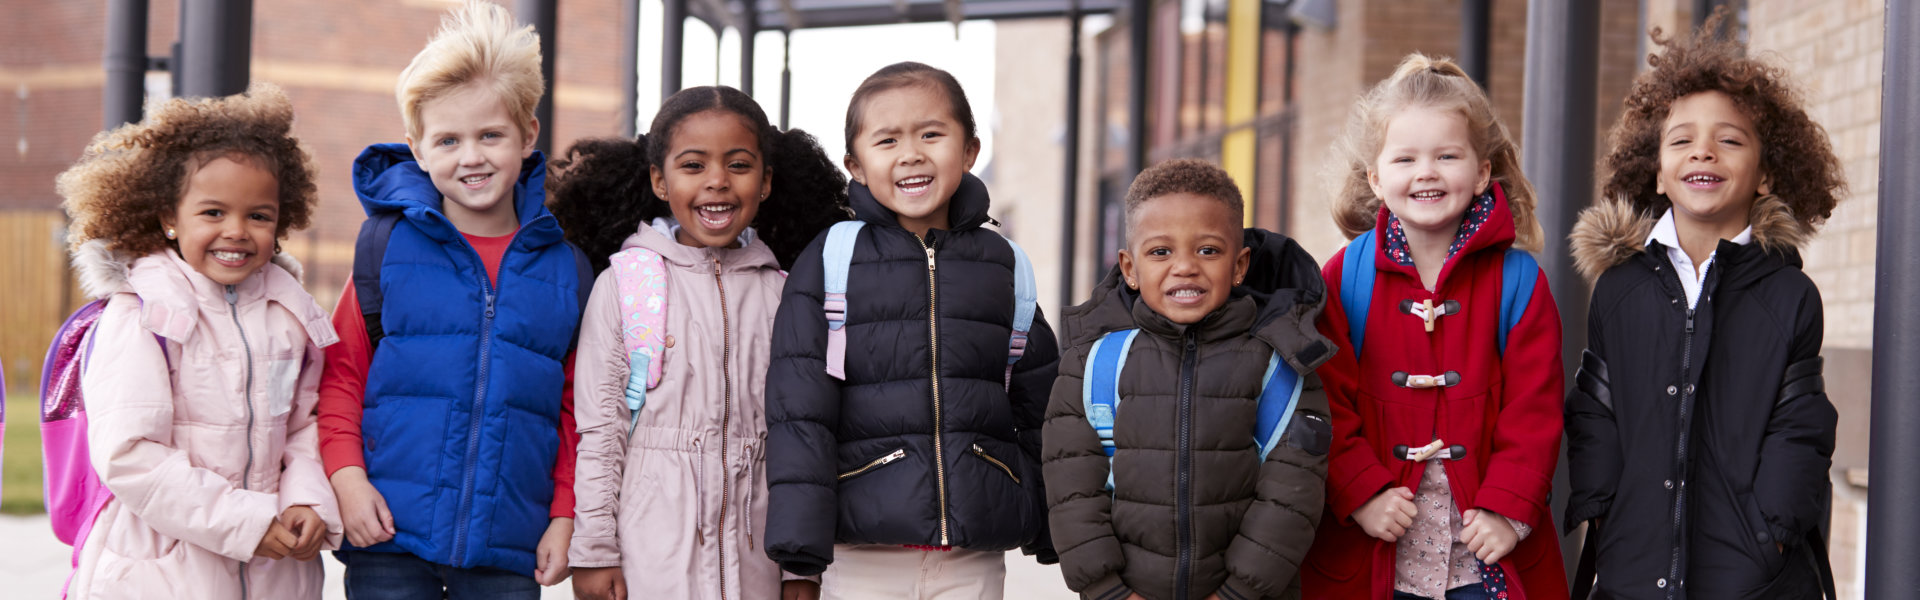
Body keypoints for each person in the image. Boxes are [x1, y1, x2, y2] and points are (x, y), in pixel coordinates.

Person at [1564, 11, 1845, 598]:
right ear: (1658, 173)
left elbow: (1802, 429)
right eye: (1682, 139)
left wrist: (1774, 535)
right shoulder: (1620, 290)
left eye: (1730, 140)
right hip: (1631, 565)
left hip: (1750, 573)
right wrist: (1604, 513)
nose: (1704, 152)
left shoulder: (1789, 296)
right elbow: (1594, 412)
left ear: (1766, 174)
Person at [762, 61, 1060, 600]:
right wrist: (800, 555)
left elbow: (1041, 406)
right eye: (887, 140)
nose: (911, 154)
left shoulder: (1006, 265)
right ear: (856, 164)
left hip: (973, 551)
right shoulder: (832, 259)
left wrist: (1053, 527)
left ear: (969, 150)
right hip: (861, 552)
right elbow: (799, 410)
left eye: (931, 134)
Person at [315, 2, 585, 596]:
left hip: (508, 550)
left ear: (528, 134)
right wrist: (347, 479)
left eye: (491, 135)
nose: (471, 157)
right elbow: (341, 377)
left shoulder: (567, 269)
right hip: (387, 537)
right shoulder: (384, 246)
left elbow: (575, 410)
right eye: (448, 140)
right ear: (417, 148)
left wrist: (566, 515)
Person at [548, 84, 848, 600]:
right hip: (650, 562)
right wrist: (594, 550)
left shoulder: (787, 293)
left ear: (766, 181)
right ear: (660, 182)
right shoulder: (625, 284)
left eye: (738, 165)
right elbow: (600, 430)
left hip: (759, 563)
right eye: (693, 166)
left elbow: (803, 440)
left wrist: (801, 565)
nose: (716, 182)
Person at [55, 83, 340, 599]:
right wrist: (246, 523)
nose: (236, 230)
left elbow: (305, 425)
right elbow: (130, 454)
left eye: (258, 215)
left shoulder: (288, 316)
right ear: (169, 218)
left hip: (277, 572)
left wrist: (306, 500)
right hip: (160, 572)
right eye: (213, 212)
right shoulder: (139, 315)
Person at [1301, 54, 1568, 600]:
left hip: (1482, 552)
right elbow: (1323, 401)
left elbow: (1534, 408)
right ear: (1376, 177)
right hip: (1377, 544)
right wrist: (1361, 493)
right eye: (1405, 158)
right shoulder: (1343, 278)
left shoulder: (1518, 281)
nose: (1426, 172)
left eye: (1448, 155)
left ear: (1482, 172)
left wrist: (1506, 509)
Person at [1043, 158, 1334, 600]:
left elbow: (1292, 497)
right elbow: (1071, 492)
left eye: (1208, 250)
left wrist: (1238, 593)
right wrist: (1108, 591)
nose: (1185, 267)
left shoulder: (1280, 365)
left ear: (1239, 266)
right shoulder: (1093, 365)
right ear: (1129, 268)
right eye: (1161, 252)